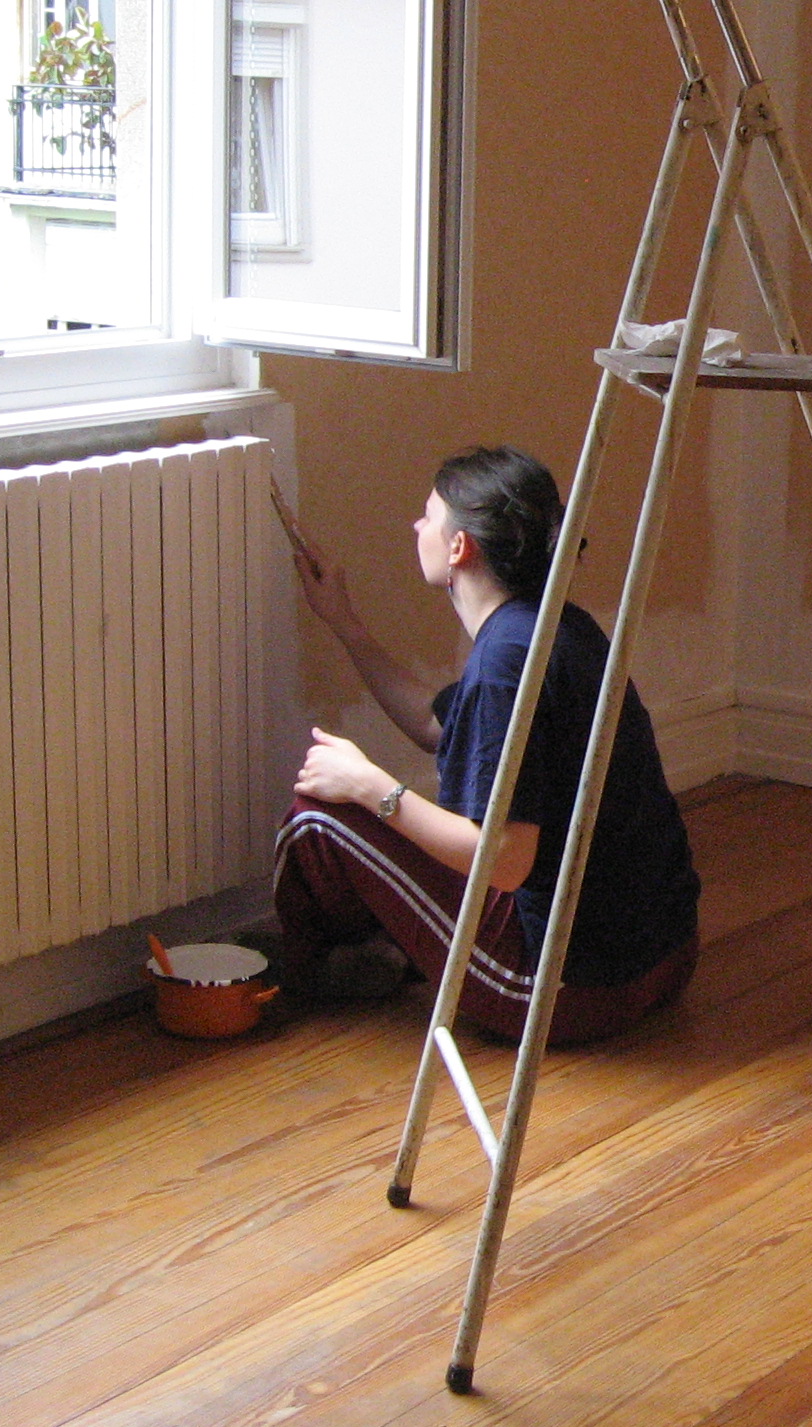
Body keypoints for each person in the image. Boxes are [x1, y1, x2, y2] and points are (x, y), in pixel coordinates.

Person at [272, 445, 700, 1044]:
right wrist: (346, 625)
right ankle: (377, 954)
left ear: (459, 547)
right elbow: (437, 725)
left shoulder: (503, 662)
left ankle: (302, 977)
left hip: (567, 993)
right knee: (362, 808)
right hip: (665, 959)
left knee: (316, 818)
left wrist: (372, 789)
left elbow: (504, 859)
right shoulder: (554, 625)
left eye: (428, 515)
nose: (416, 526)